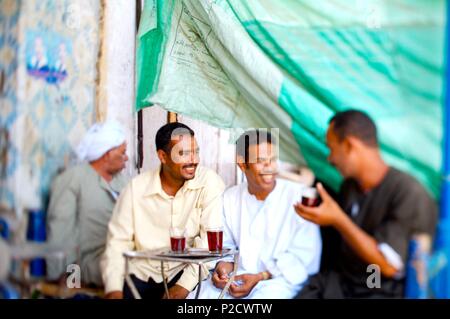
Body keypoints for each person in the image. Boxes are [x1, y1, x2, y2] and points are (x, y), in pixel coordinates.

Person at [294, 110, 438, 298]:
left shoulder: (407, 192)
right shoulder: (349, 187)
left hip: (378, 289)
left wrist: (338, 219)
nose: (330, 159)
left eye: (332, 148)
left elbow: (387, 266)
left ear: (348, 145)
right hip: (341, 284)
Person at [190, 130, 322, 299]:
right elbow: (225, 246)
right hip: (237, 277)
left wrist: (260, 277)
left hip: (279, 281)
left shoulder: (298, 198)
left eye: (273, 160)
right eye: (260, 161)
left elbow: (304, 257)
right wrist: (223, 267)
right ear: (242, 164)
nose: (270, 167)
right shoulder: (231, 198)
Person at [101, 122, 225, 299]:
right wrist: (113, 289)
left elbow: (209, 244)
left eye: (196, 152)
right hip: (142, 273)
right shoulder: (136, 188)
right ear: (163, 156)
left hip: (185, 272)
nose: (193, 160)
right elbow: (117, 243)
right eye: (183, 153)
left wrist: (184, 286)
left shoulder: (209, 183)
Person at [46, 120, 129, 287]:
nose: (126, 158)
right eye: (122, 153)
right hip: (91, 263)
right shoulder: (73, 179)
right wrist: (71, 281)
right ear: (107, 154)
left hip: (124, 254)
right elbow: (61, 234)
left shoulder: (122, 182)